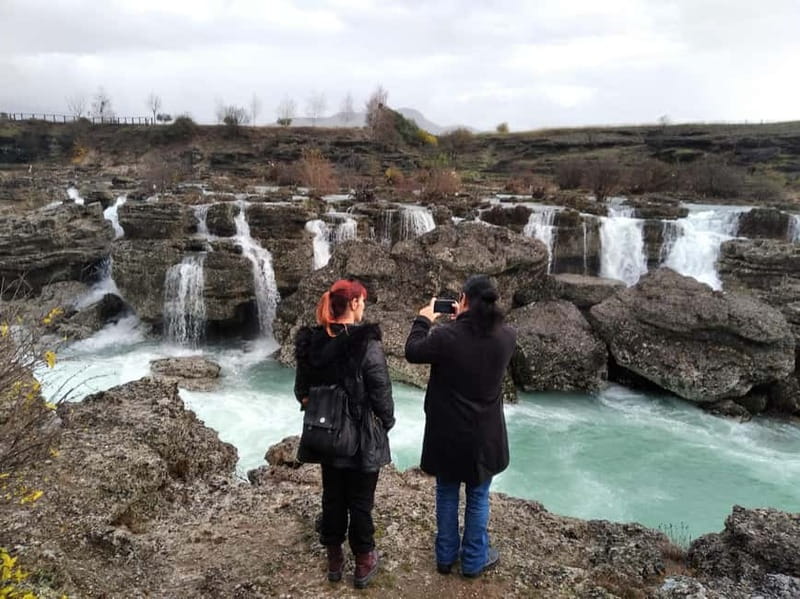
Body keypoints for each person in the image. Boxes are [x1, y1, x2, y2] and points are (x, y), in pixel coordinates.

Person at [404, 274, 516, 578]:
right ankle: (473, 561)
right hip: (485, 434)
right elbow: (478, 342)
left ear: (463, 300)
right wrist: (461, 320)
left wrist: (423, 320)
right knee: (478, 496)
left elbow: (412, 351)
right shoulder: (507, 336)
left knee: (447, 492)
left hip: (447, 431)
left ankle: (445, 557)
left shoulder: (446, 336)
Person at [294, 278, 395, 589]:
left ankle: (335, 558)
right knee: (361, 501)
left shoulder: (312, 342)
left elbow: (302, 393)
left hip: (327, 434)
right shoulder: (366, 344)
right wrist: (385, 423)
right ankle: (364, 559)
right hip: (361, 436)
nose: (363, 307)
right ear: (353, 304)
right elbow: (381, 394)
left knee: (333, 497)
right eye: (362, 301)